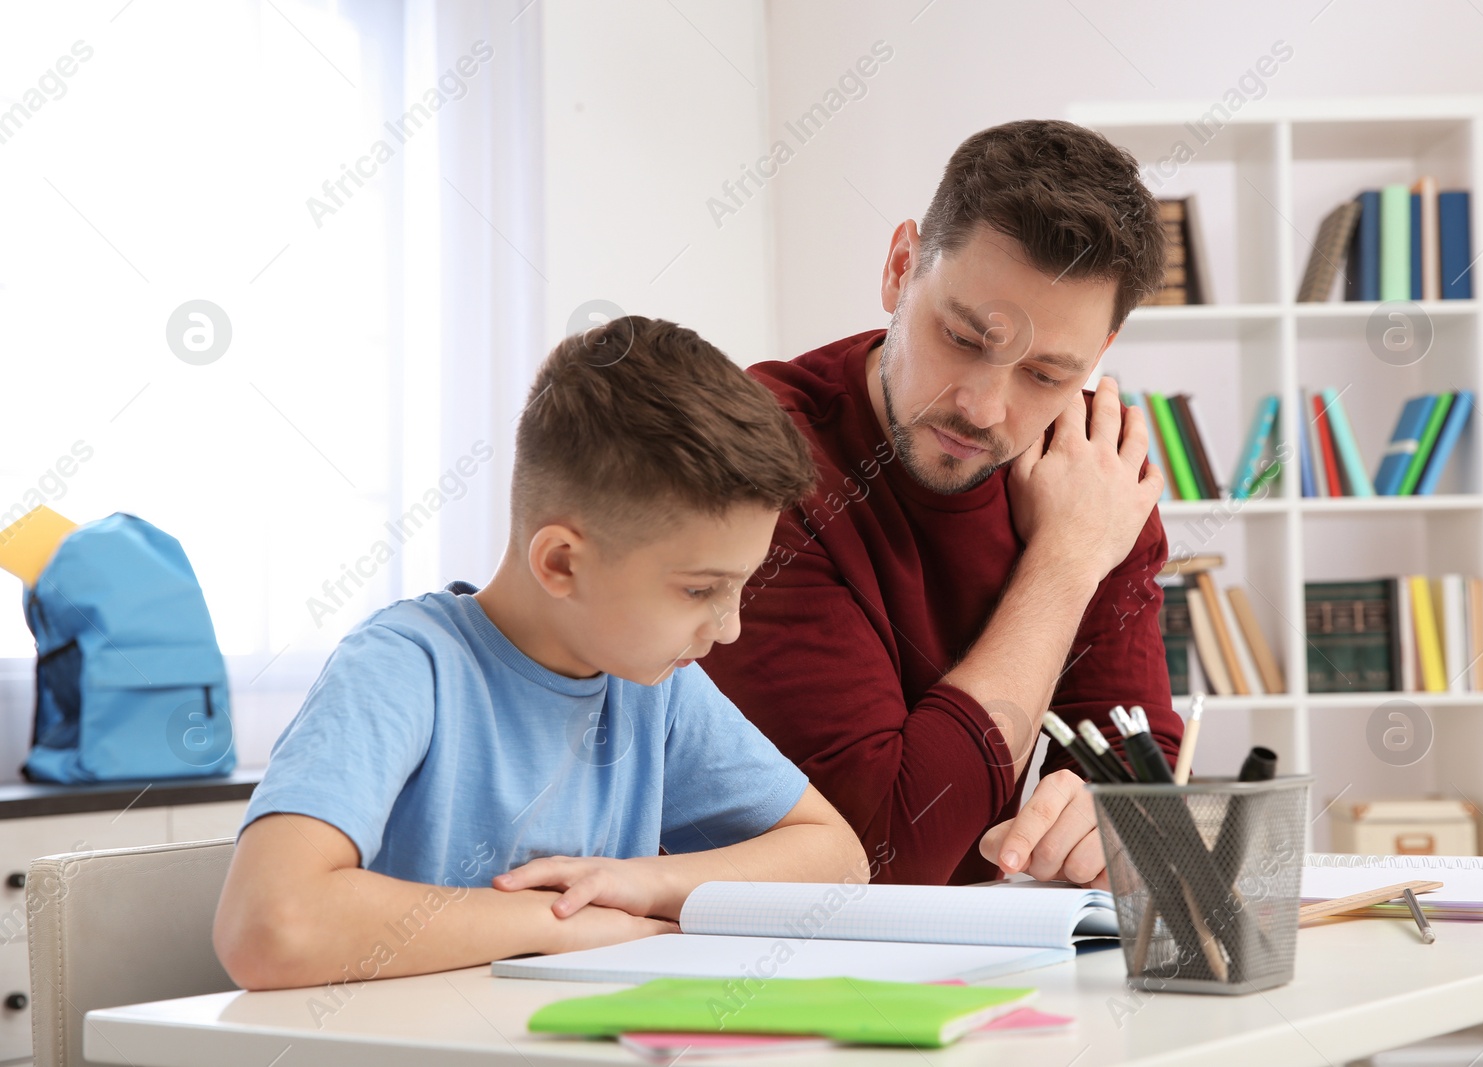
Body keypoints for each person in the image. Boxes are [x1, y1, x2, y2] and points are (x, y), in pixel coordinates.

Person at [214, 317, 867, 991]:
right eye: (700, 589)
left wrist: (636, 883)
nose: (727, 628)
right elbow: (269, 927)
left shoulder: (654, 685)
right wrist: (559, 922)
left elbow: (839, 857)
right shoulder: (406, 666)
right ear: (561, 562)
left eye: (739, 586)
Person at [701, 119, 1174, 888]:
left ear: (1101, 353)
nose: (985, 407)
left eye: (1048, 374)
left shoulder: (1094, 472)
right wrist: (1064, 562)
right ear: (900, 268)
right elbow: (883, 852)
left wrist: (1104, 821)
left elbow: (1131, 768)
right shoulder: (753, 456)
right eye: (962, 337)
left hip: (1000, 966)